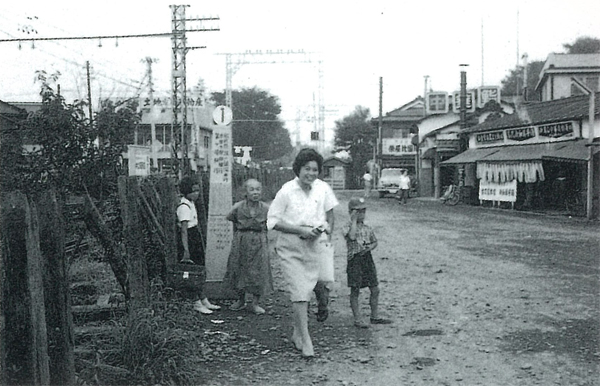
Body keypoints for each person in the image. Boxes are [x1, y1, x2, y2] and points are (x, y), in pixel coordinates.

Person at [267, 148, 339, 358]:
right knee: (300, 292)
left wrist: (326, 231)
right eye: (307, 169)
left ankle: (297, 333)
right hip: (292, 247)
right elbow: (272, 221)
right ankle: (306, 340)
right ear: (298, 169)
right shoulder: (286, 191)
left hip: (316, 245)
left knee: (313, 288)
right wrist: (300, 230)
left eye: (315, 169)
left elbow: (330, 214)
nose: (311, 173)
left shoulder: (322, 188)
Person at [224, 179, 273, 315]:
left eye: (258, 189)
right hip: (242, 241)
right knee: (239, 268)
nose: (255, 192)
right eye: (252, 190)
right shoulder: (238, 207)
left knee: (259, 270)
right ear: (245, 192)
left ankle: (255, 303)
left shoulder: (266, 208)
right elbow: (230, 217)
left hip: (259, 240)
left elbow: (273, 222)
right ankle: (240, 300)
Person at [342, 197, 392, 328]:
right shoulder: (347, 227)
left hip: (366, 258)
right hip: (355, 260)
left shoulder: (367, 228)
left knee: (375, 288)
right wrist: (353, 220)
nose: (361, 214)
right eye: (358, 211)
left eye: (363, 211)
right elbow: (352, 237)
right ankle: (357, 318)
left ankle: (374, 315)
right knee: (355, 289)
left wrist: (370, 247)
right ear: (351, 212)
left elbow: (374, 241)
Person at [177, 176, 221, 315]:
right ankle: (195, 301)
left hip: (195, 236)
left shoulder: (191, 203)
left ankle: (203, 298)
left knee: (200, 268)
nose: (196, 193)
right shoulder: (183, 207)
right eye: (193, 191)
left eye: (197, 190)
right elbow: (184, 229)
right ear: (186, 191)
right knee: (193, 271)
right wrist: (186, 249)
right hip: (190, 238)